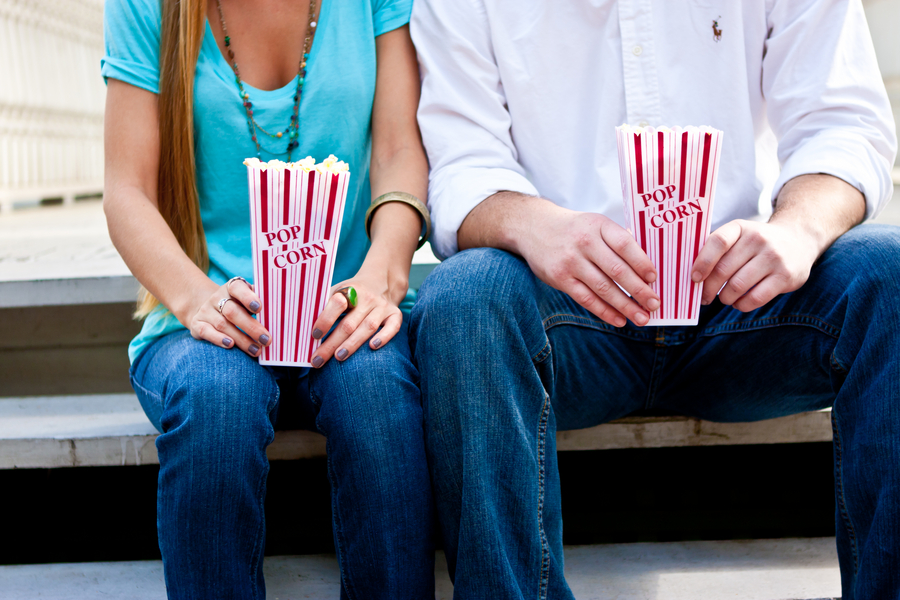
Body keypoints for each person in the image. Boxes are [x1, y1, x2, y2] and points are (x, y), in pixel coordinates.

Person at [409, 1, 899, 598]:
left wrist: (796, 229)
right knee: (464, 296)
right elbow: (461, 162)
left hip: (743, 302)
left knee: (889, 269)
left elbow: (842, 125)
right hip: (565, 315)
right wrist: (534, 224)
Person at [102, 0, 434, 597]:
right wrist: (196, 297)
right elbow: (126, 191)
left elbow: (398, 151)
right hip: (203, 322)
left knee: (378, 394)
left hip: (345, 311)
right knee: (216, 399)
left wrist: (383, 271)